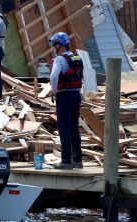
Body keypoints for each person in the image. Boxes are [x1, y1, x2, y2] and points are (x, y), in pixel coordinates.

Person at [49, 32, 84, 170]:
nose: (53, 47)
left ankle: (66, 161)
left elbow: (54, 75)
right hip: (76, 96)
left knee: (64, 128)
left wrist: (54, 90)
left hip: (64, 96)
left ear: (58, 45)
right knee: (74, 128)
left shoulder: (59, 59)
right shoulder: (76, 57)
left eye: (54, 45)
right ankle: (77, 160)